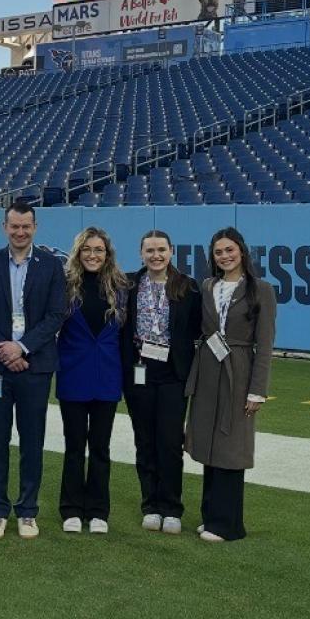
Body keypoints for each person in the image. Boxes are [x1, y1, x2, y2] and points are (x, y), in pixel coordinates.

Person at [0, 201, 67, 540]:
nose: (20, 232)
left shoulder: (52, 266)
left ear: (35, 228)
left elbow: (56, 315)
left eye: (26, 226)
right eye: (14, 226)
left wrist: (22, 347)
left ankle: (27, 511)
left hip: (35, 367)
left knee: (32, 441)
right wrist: (5, 349)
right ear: (4, 227)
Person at [186, 227, 277, 542]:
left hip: (239, 370)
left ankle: (228, 525)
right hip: (208, 368)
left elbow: (264, 345)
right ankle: (211, 516)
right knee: (210, 443)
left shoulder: (260, 289)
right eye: (218, 252)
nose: (224, 256)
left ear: (241, 251)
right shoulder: (208, 285)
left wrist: (257, 390)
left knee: (231, 445)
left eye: (229, 250)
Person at [122, 230, 201, 535]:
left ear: (171, 252)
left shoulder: (187, 286)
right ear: (141, 254)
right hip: (139, 371)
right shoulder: (129, 284)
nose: (156, 256)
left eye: (161, 250)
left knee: (169, 443)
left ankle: (171, 507)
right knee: (145, 441)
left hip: (172, 374)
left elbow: (195, 328)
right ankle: (150, 505)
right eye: (149, 250)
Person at [56, 227, 129, 535]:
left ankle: (98, 510)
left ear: (107, 254)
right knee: (74, 446)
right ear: (78, 252)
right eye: (87, 249)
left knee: (100, 447)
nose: (93, 254)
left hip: (108, 378)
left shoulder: (122, 287)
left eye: (99, 249)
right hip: (73, 375)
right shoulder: (65, 286)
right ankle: (71, 509)